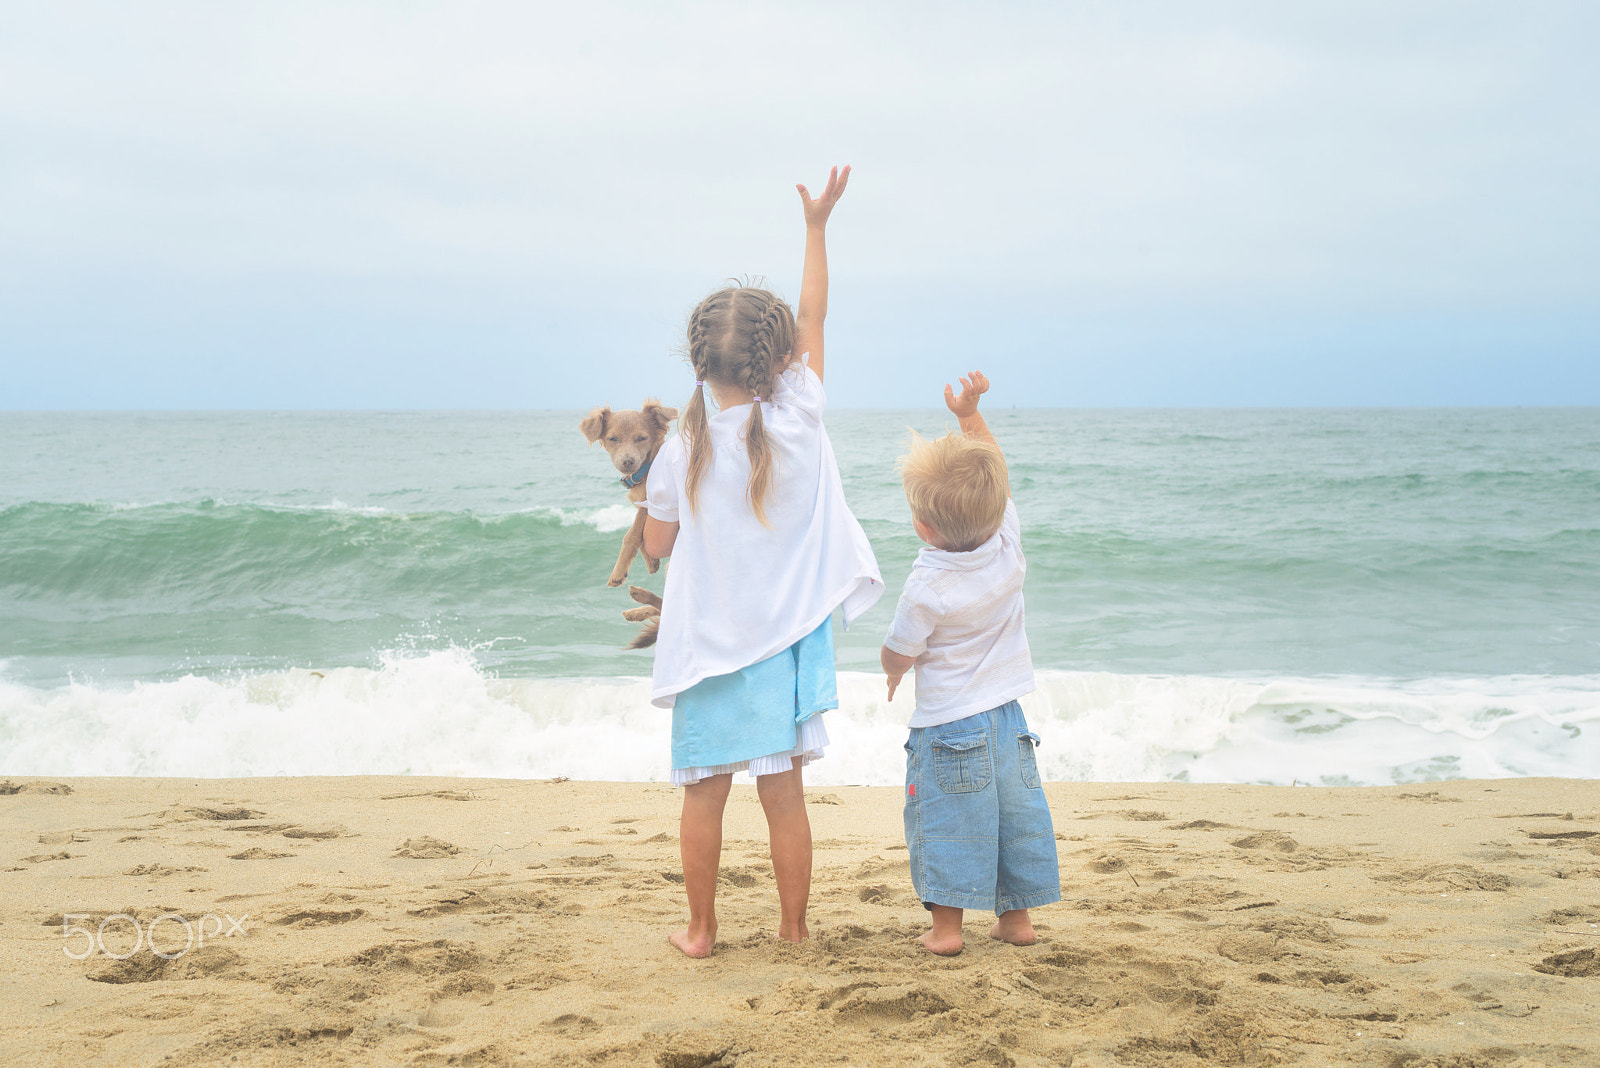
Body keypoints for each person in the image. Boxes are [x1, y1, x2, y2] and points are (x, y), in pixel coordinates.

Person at [641, 166, 882, 958]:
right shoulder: (799, 418)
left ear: (696, 360)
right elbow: (815, 312)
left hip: (711, 646)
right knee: (784, 798)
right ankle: (793, 928)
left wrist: (647, 499)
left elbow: (656, 549)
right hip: (784, 644)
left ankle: (703, 932)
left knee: (702, 796)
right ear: (777, 359)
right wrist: (816, 227)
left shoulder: (680, 448)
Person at [880, 371, 1061, 955]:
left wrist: (892, 669)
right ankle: (1016, 921)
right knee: (1014, 818)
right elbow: (995, 466)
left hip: (948, 724)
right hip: (1009, 719)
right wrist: (969, 415)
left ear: (923, 526)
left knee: (950, 821)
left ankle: (947, 930)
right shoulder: (1008, 541)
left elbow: (901, 645)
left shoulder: (926, 582)